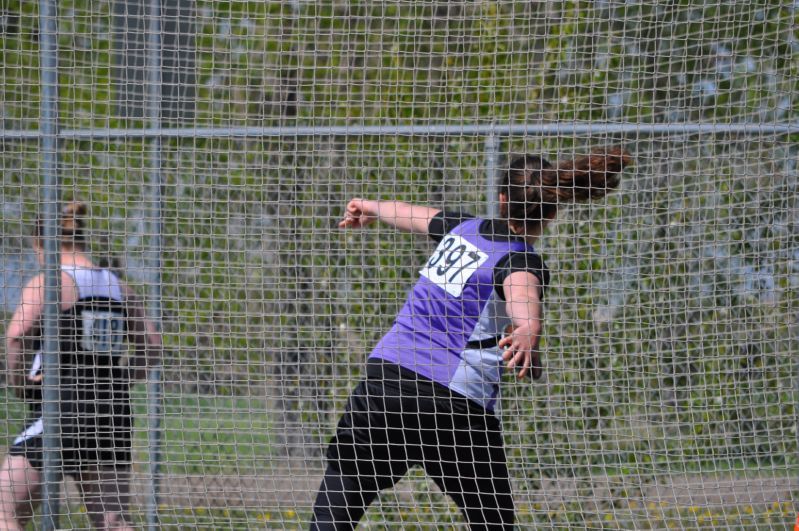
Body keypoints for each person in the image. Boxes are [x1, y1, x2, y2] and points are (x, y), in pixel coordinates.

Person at [310, 147, 633, 530]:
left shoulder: (459, 228)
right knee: (492, 521)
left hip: (386, 382)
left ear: (501, 199)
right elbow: (522, 296)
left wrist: (368, 206)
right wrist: (529, 330)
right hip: (453, 404)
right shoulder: (519, 259)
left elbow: (408, 212)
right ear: (553, 210)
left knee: (342, 493)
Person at [0, 202, 162, 530]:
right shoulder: (118, 286)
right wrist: (117, 381)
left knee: (5, 512)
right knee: (113, 522)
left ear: (40, 243)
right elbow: (153, 346)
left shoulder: (50, 282)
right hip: (111, 412)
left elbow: (16, 335)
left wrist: (20, 384)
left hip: (63, 407)